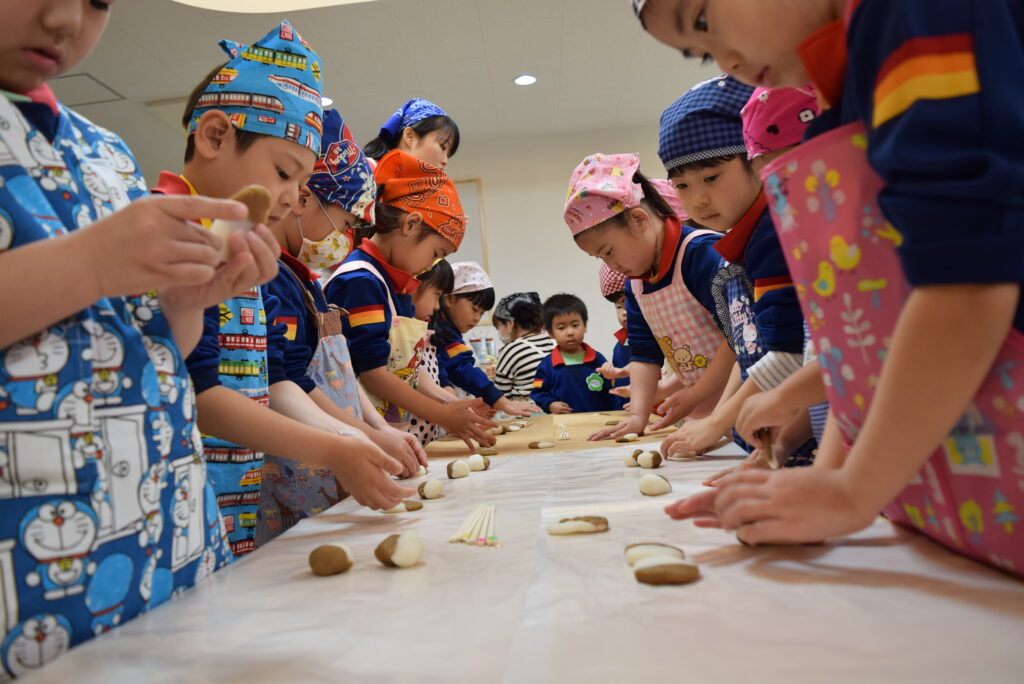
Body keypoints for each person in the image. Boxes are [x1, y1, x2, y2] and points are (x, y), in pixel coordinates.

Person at [637, 0, 1024, 574]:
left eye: (701, 20)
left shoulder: (914, 15)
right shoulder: (846, 90)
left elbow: (968, 278)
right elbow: (872, 332)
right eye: (701, 52)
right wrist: (832, 477)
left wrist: (852, 491)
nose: (729, 61)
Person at [0, 0, 274, 670]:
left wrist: (186, 304)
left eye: (98, 1)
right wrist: (89, 262)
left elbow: (153, 350)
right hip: (35, 584)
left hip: (168, 543)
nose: (67, 19)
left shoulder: (105, 153)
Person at [157, 22, 412, 555]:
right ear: (214, 136)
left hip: (235, 497)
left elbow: (264, 378)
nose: (291, 199)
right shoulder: (169, 233)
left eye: (302, 185)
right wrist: (338, 445)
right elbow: (202, 394)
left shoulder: (232, 245)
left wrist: (349, 440)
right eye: (282, 173)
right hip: (183, 494)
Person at [264, 107, 428, 540]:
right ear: (305, 200)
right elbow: (287, 379)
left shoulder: (306, 280)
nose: (348, 238)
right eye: (347, 223)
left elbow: (339, 371)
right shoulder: (272, 279)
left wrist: (374, 428)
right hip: (300, 466)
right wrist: (352, 433)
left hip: (335, 451)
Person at [657, 79, 817, 466]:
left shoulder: (773, 237)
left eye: (711, 178)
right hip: (779, 447)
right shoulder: (741, 246)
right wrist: (722, 423)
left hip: (809, 452)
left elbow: (791, 354)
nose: (699, 199)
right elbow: (746, 349)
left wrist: (717, 423)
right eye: (682, 185)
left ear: (756, 162)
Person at [324, 150, 497, 450]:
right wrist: (443, 415)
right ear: (411, 224)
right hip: (360, 435)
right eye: (436, 254)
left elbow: (408, 368)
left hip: (389, 432)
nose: (430, 267)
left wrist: (450, 403)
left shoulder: (394, 286)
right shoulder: (360, 282)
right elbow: (373, 374)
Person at [564, 153, 734, 441]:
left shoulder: (701, 254)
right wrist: (636, 418)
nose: (611, 266)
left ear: (639, 219)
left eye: (608, 251)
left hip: (742, 404)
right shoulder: (636, 284)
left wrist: (694, 393)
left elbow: (738, 339)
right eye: (599, 259)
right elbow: (645, 355)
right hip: (701, 417)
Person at [431, 263, 539, 417]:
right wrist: (502, 401)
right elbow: (462, 368)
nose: (476, 318)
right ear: (450, 299)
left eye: (481, 313)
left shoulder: (448, 332)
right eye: (474, 309)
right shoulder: (442, 332)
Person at [531, 294, 614, 414]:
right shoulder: (546, 366)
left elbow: (611, 389)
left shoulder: (597, 359)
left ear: (585, 326)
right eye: (561, 328)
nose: (570, 332)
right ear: (550, 332)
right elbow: (537, 391)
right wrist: (549, 404)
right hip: (563, 425)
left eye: (575, 325)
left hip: (599, 422)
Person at [493, 292, 556, 402]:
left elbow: (501, 397)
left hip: (532, 416)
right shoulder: (554, 341)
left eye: (499, 326)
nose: (499, 332)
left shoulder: (509, 350)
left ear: (510, 323)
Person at [363, 98, 459, 168]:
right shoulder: (366, 170)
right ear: (410, 136)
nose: (445, 161)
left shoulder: (424, 191)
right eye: (443, 146)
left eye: (448, 155)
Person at [596, 264, 632, 410]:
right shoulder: (619, 345)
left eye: (628, 304)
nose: (624, 312)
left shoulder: (654, 338)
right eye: (618, 307)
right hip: (624, 409)